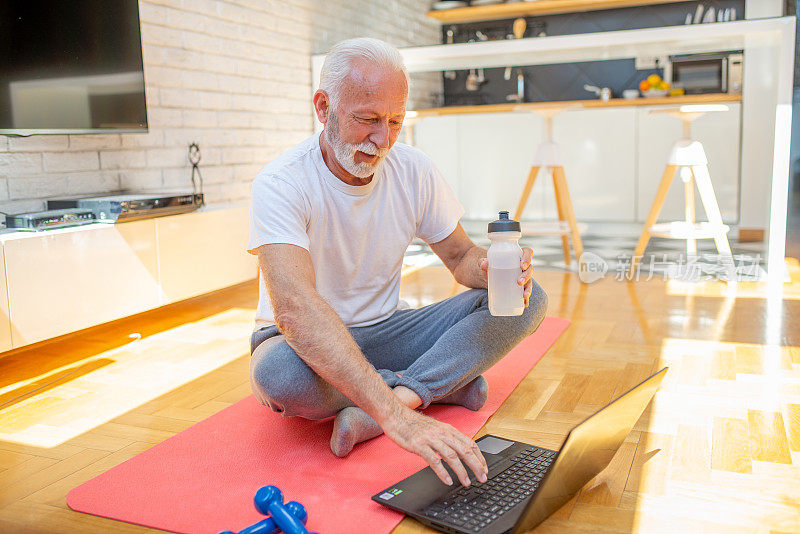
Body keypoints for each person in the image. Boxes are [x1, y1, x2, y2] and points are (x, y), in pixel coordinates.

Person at [247, 37, 547, 488]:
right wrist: (398, 422)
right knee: (279, 378)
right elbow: (295, 311)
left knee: (529, 299)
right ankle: (438, 383)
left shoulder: (414, 170)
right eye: (366, 119)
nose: (381, 139)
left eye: (394, 122)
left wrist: (490, 269)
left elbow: (462, 257)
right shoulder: (281, 182)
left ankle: (402, 395)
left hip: (388, 330)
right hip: (300, 343)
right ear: (323, 107)